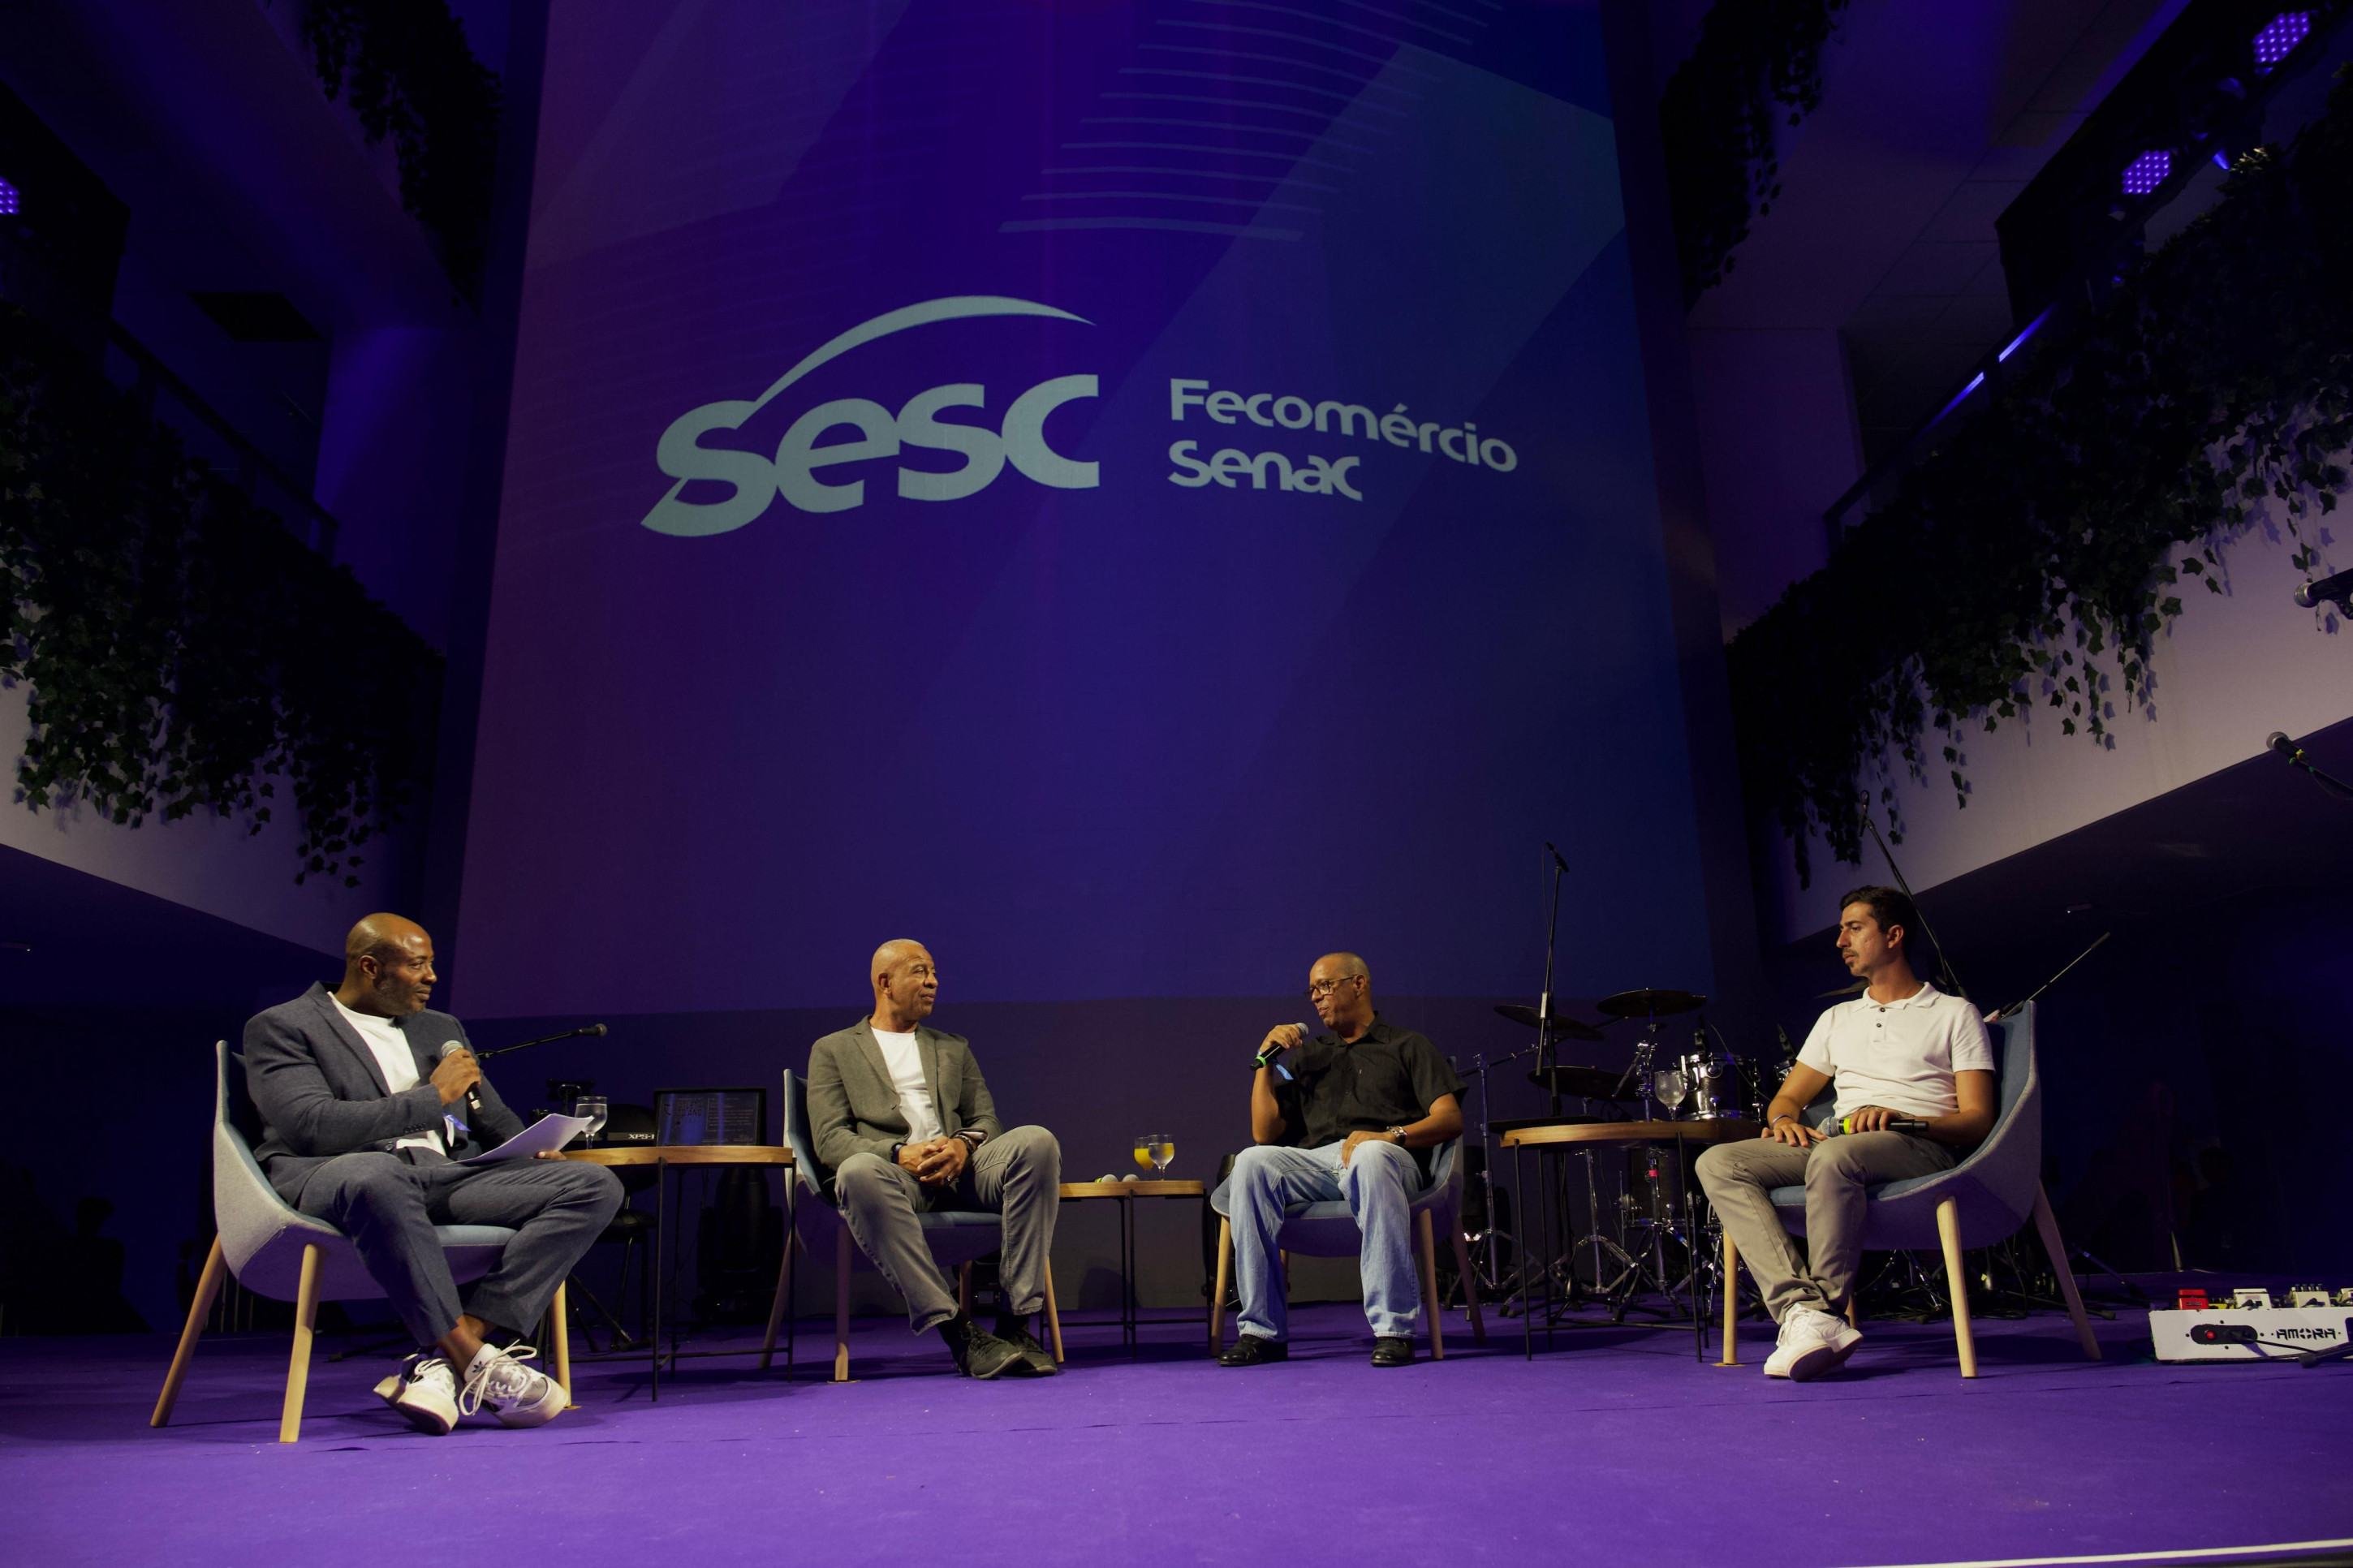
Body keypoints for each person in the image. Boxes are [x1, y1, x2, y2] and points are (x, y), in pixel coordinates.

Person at [243, 914, 623, 1433]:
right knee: (378, 1173)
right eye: (417, 965)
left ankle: (449, 1356)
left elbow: (491, 1118)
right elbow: (311, 1126)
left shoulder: (439, 1028)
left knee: (594, 1185)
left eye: (431, 964)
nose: (431, 977)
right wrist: (433, 1097)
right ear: (371, 967)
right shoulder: (284, 1026)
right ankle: (473, 1358)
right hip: (340, 1175)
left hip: (444, 1177)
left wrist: (533, 1153)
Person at [1695, 885, 1996, 1381]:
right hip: (1840, 1142)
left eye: (1854, 928)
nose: (1840, 941)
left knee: (1836, 1157)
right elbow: (1787, 1098)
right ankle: (1802, 1311)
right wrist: (1785, 1122)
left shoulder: (1953, 1014)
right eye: (1841, 930)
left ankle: (1823, 1313)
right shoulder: (1836, 1018)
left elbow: (1978, 1119)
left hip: (1921, 1145)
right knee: (1719, 1162)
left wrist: (1902, 1118)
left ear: (1894, 936)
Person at [806, 941, 1062, 1378]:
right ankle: (959, 1331)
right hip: (896, 1177)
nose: (933, 982)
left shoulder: (952, 1047)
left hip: (963, 1173)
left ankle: (1015, 1324)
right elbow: (830, 1140)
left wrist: (962, 1146)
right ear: (885, 983)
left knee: (1037, 1142)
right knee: (856, 1172)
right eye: (920, 972)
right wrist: (898, 1153)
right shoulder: (834, 1050)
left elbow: (986, 1119)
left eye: (934, 973)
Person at [1219, 952, 1464, 1368]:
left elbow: (1449, 1118)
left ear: (1359, 984)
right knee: (1251, 1162)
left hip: (1391, 1158)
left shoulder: (1407, 1045)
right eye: (1312, 991)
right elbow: (1264, 1133)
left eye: (1325, 986)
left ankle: (1393, 1329)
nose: (1317, 998)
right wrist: (1265, 1062)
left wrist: (1390, 1135)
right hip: (1319, 1164)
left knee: (1369, 1154)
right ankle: (1262, 1331)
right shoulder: (1312, 1056)